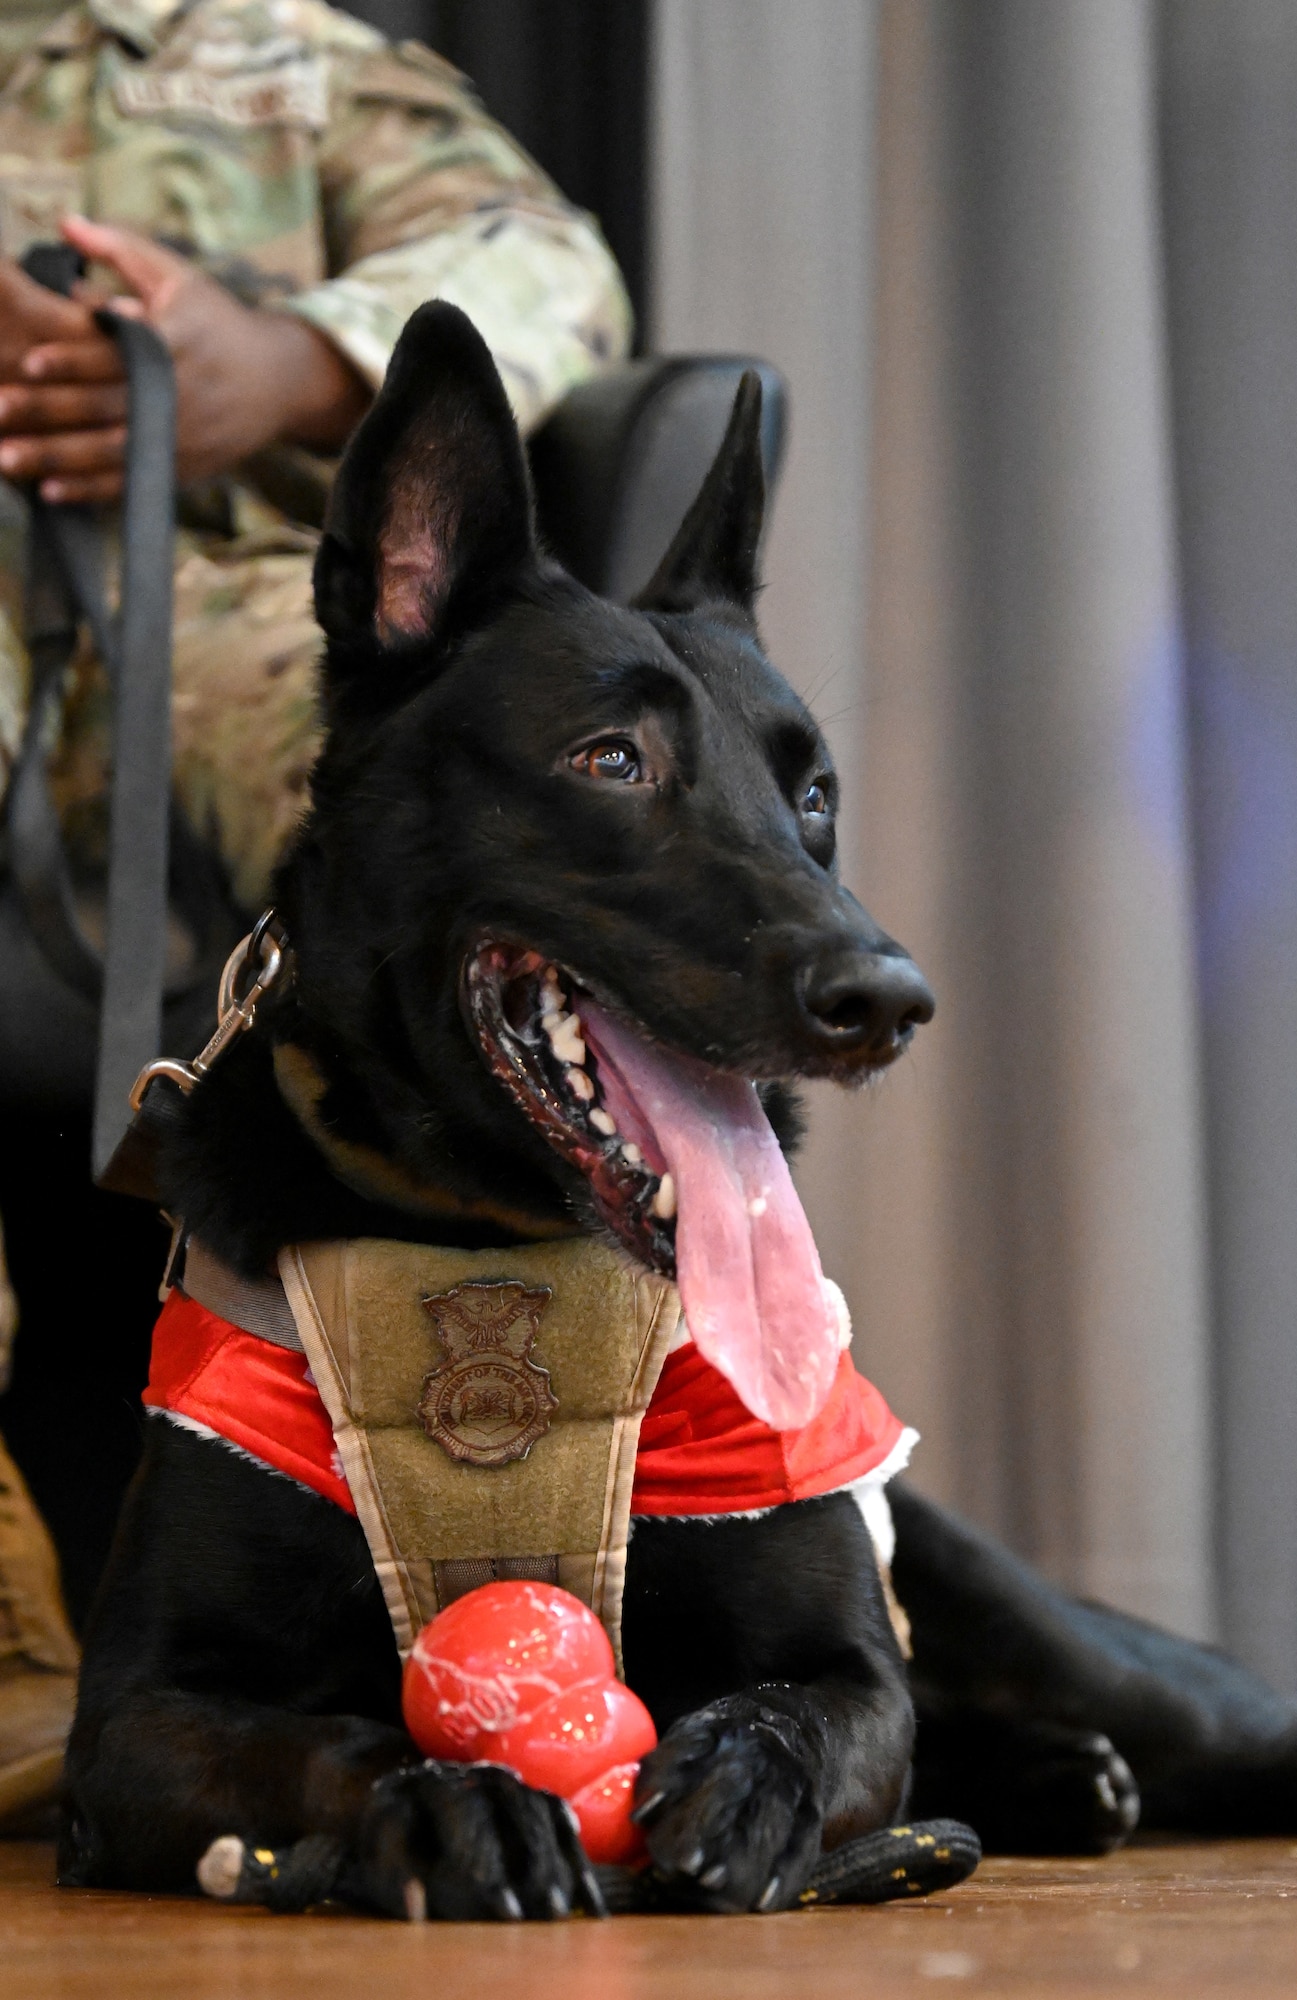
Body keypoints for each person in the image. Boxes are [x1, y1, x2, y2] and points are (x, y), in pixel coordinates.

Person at [0, 0, 633, 1827]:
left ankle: (533, 1541)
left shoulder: (261, 46)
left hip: (217, 590)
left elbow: (550, 265)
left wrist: (282, 362)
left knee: (471, 793)